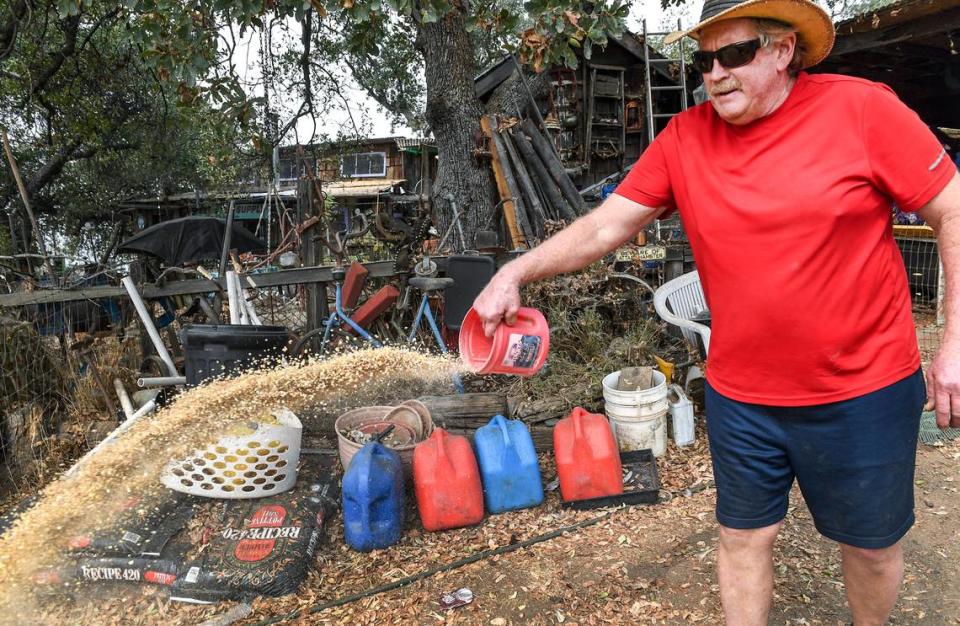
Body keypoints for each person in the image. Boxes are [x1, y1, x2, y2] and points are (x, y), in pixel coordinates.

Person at [471, 0, 960, 623]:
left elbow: (952, 208)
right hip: (744, 396)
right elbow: (604, 228)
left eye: (735, 54)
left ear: (784, 51)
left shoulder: (862, 109)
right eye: (705, 60)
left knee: (869, 548)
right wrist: (516, 270)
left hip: (861, 390)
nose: (716, 73)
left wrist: (953, 342)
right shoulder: (685, 138)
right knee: (741, 539)